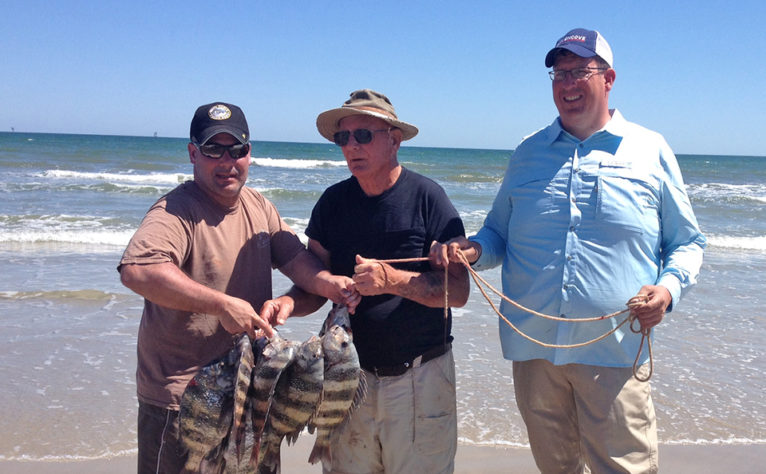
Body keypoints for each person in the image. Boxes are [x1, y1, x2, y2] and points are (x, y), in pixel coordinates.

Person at [431, 29, 706, 473]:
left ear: (609, 78)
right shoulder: (527, 152)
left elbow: (687, 243)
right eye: (559, 72)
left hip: (614, 350)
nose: (567, 83)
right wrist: (474, 250)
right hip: (534, 351)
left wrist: (668, 290)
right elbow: (499, 233)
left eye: (581, 70)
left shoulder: (650, 149)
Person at [118, 101, 357, 473]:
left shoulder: (259, 207)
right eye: (214, 149)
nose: (227, 160)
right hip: (183, 401)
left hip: (251, 398)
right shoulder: (175, 211)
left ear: (250, 153)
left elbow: (300, 264)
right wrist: (221, 305)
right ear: (193, 153)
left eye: (237, 149)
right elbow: (138, 270)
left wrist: (327, 285)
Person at [305, 89, 470, 473]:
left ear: (394, 140)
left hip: (420, 380)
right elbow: (312, 275)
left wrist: (391, 281)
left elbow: (458, 294)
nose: (351, 146)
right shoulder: (331, 203)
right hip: (347, 381)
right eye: (342, 137)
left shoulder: (429, 199)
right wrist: (316, 289)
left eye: (363, 135)